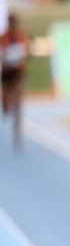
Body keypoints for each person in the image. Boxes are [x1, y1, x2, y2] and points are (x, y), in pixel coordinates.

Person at [1, 14, 31, 151]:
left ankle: (17, 131)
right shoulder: (3, 38)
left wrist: (24, 59)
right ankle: (8, 106)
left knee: (18, 102)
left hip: (18, 73)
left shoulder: (21, 37)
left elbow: (27, 52)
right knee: (6, 107)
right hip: (6, 73)